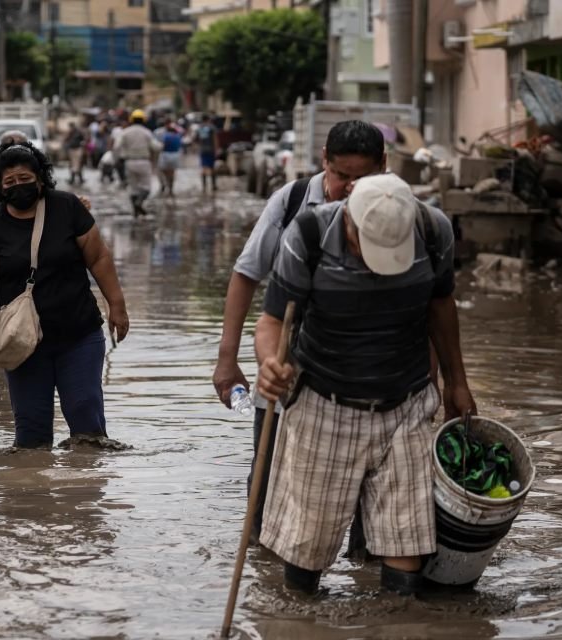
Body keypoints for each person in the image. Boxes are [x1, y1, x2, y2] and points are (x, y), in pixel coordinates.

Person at [255, 172, 476, 596]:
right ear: (349, 219)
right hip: (324, 401)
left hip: (407, 402)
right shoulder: (308, 235)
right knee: (307, 544)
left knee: (406, 539)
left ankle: (397, 624)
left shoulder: (433, 231)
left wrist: (456, 382)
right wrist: (269, 364)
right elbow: (271, 322)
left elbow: (441, 306)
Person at [212, 120, 387, 546]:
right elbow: (246, 274)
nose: (349, 188)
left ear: (383, 168)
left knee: (371, 498)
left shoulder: (398, 213)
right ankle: (266, 572)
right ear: (323, 160)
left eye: (361, 178)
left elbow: (430, 302)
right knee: (268, 483)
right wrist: (227, 358)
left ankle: (366, 577)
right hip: (287, 364)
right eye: (341, 175)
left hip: (366, 376)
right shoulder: (290, 203)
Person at [0, 145, 130, 449]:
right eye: (10, 182)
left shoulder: (68, 208)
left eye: (25, 178)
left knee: (87, 425)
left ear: (41, 178)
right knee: (31, 435)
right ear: (0, 187)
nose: (18, 186)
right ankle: (31, 492)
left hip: (78, 334)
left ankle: (86, 490)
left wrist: (117, 306)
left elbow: (99, 259)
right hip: (21, 342)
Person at [113, 109, 162, 218]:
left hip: (129, 162)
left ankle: (135, 212)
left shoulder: (125, 132)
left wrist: (119, 158)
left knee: (133, 188)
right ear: (143, 120)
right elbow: (156, 147)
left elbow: (116, 146)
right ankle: (139, 203)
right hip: (144, 162)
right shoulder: (146, 132)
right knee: (146, 188)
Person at [157, 124, 184, 197]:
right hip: (175, 155)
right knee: (172, 172)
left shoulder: (165, 136)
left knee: (163, 171)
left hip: (165, 155)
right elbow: (180, 146)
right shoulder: (178, 136)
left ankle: (166, 183)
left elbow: (162, 146)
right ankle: (171, 189)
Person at [197, 114, 219, 192]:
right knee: (212, 167)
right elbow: (215, 139)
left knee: (203, 168)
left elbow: (198, 140)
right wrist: (216, 150)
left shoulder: (200, 128)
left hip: (202, 150)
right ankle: (213, 185)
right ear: (208, 119)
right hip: (211, 150)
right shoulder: (212, 127)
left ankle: (204, 186)